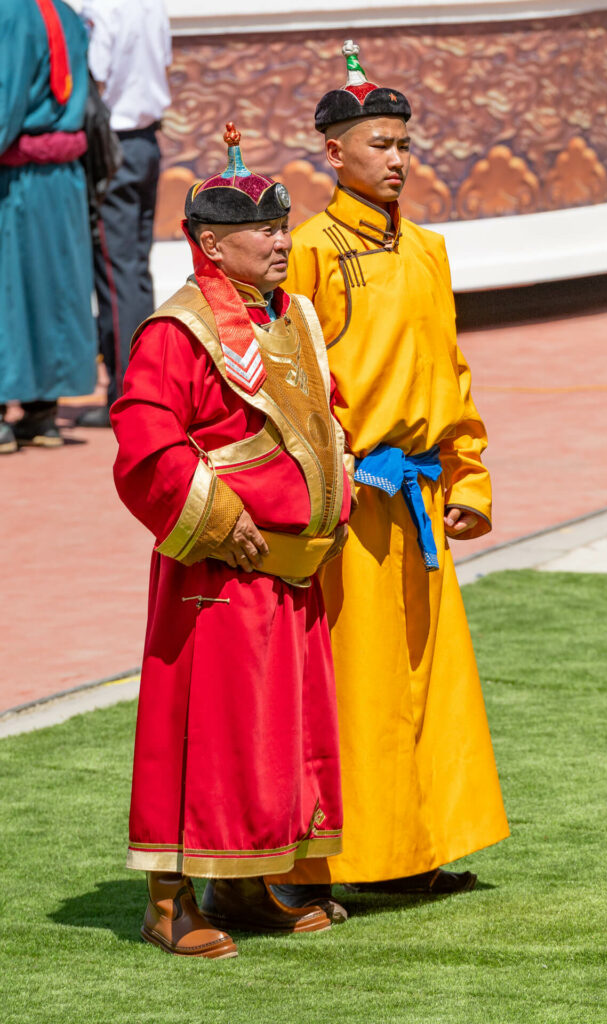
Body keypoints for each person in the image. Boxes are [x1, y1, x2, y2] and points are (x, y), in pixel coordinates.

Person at [270, 42, 509, 912]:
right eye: (380, 145)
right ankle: (343, 861)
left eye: (404, 144)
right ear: (333, 154)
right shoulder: (308, 253)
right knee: (357, 687)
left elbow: (449, 371)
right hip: (351, 501)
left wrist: (468, 476)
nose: (397, 160)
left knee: (428, 683)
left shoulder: (429, 250)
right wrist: (323, 481)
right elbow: (290, 383)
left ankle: (422, 847)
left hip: (420, 496)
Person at [111, 123, 353, 958]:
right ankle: (169, 904)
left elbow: (326, 416)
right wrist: (218, 519)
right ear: (211, 243)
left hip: (291, 575)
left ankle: (246, 885)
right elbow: (145, 438)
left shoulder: (293, 319)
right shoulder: (178, 332)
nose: (282, 241)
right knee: (203, 737)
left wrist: (338, 484)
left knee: (271, 737)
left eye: (284, 225)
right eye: (263, 230)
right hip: (221, 574)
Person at [0, 0, 97, 452]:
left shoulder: (11, 12)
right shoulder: (65, 12)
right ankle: (42, 415)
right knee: (52, 286)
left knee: (12, 290)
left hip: (18, 175)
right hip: (62, 177)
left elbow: (6, 96)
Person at [77, 0, 171, 427]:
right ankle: (148, 386)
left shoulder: (104, 7)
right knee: (135, 268)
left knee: (116, 273)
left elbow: (94, 76)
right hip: (145, 141)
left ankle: (123, 395)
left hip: (114, 142)